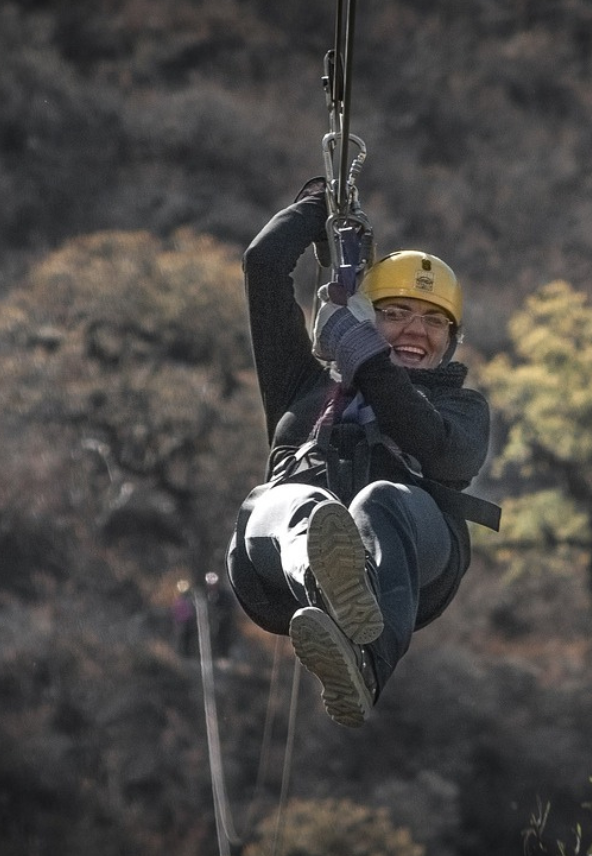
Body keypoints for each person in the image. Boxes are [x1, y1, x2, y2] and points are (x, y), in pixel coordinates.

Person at [226, 179, 499, 727]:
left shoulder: (462, 408)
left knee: (379, 500)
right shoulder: (302, 386)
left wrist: (362, 354)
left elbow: (439, 450)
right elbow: (264, 265)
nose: (415, 331)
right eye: (395, 313)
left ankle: (365, 662)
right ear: (361, 312)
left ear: (452, 339)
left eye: (433, 321)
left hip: (407, 565)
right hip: (279, 571)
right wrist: (319, 207)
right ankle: (326, 581)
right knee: (292, 500)